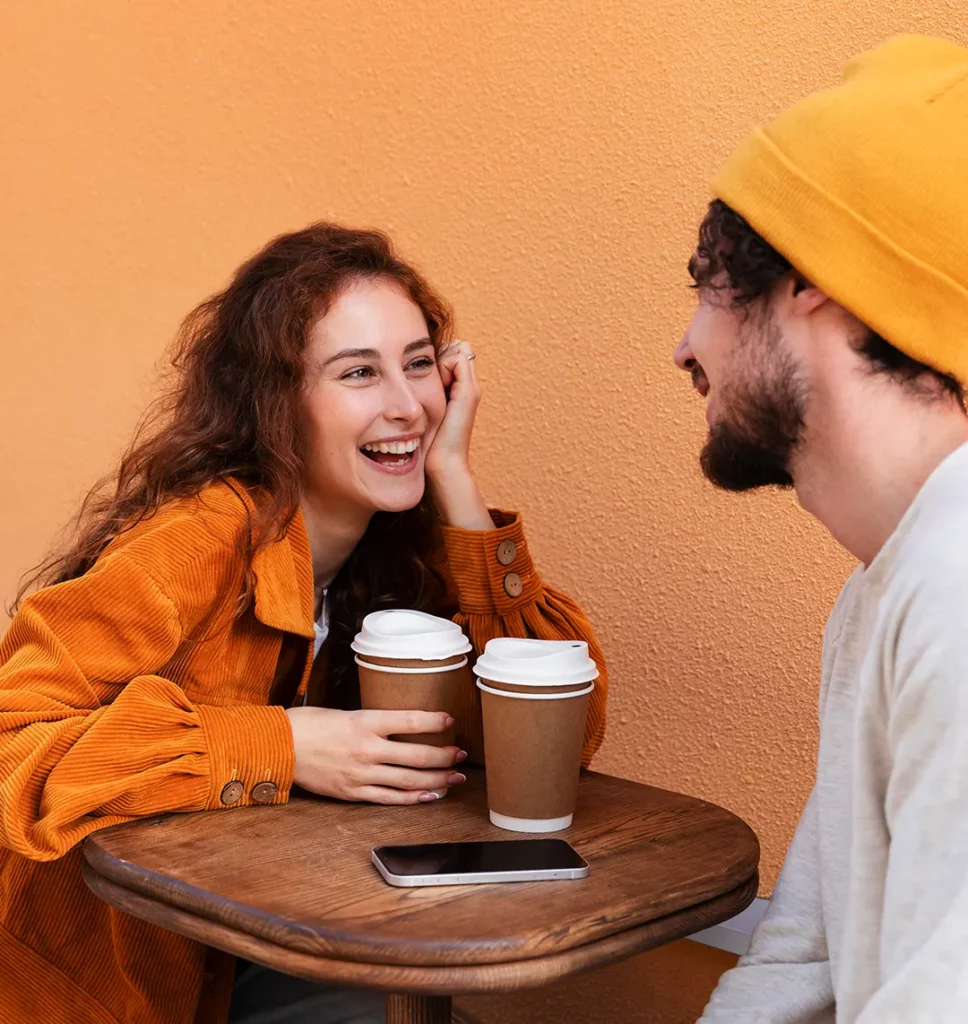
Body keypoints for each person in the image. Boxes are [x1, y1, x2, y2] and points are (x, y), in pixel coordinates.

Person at [0, 223, 608, 1024]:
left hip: (276, 941)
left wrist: (456, 478)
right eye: (359, 372)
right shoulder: (197, 538)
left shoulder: (401, 551)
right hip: (99, 993)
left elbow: (564, 731)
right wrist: (282, 743)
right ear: (278, 403)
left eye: (419, 364)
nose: (405, 405)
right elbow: (13, 737)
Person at [673, 35, 968, 1023]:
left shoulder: (957, 585)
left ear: (809, 281)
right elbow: (804, 958)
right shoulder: (884, 582)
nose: (686, 344)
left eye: (707, 286)